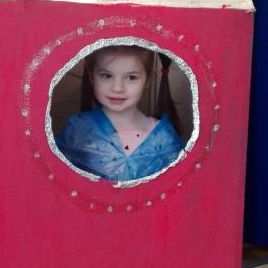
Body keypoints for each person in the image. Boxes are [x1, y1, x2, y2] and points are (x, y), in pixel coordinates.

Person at [55, 45, 184, 181]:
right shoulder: (77, 130)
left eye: (131, 77)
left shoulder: (164, 138)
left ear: (148, 79)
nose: (117, 88)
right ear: (91, 76)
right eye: (107, 76)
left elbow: (176, 187)